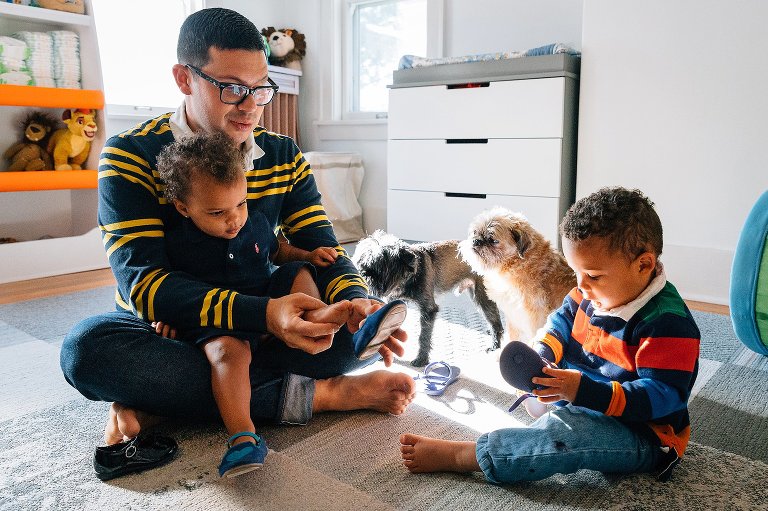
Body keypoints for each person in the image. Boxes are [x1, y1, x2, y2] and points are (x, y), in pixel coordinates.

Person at [59, 7, 415, 455]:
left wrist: (358, 300)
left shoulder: (282, 154)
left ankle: (170, 403)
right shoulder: (130, 155)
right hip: (170, 330)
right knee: (87, 352)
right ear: (184, 79)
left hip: (266, 319)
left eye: (261, 89)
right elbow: (146, 287)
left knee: (343, 338)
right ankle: (323, 395)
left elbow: (320, 248)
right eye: (231, 89)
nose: (250, 106)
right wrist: (263, 315)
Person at [399, 187, 701, 483]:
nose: (580, 285)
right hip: (588, 396)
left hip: (643, 433)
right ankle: (550, 403)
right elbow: (559, 322)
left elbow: (663, 396)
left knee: (568, 433)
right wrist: (544, 353)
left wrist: (583, 391)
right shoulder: (589, 294)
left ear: (644, 264)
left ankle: (468, 456)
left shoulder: (669, 325)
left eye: (593, 275)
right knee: (549, 395)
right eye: (575, 271)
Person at [155, 131, 408, 477]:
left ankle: (331, 316)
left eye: (240, 204)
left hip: (276, 303)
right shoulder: (179, 244)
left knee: (297, 271)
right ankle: (243, 437)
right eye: (218, 213)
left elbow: (276, 250)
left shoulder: (252, 221)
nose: (234, 220)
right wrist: (162, 318)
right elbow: (168, 291)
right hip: (223, 324)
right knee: (226, 357)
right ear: (184, 207)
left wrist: (306, 254)